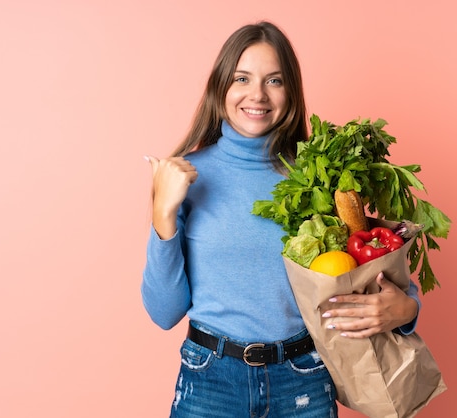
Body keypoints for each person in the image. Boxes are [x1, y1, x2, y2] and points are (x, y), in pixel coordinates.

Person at [142, 21, 420, 418]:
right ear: (220, 86)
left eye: (274, 80)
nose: (257, 94)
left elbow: (369, 263)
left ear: (291, 92)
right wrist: (162, 213)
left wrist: (407, 311)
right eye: (242, 78)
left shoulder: (319, 179)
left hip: (303, 377)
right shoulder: (183, 178)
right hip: (210, 382)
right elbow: (164, 312)